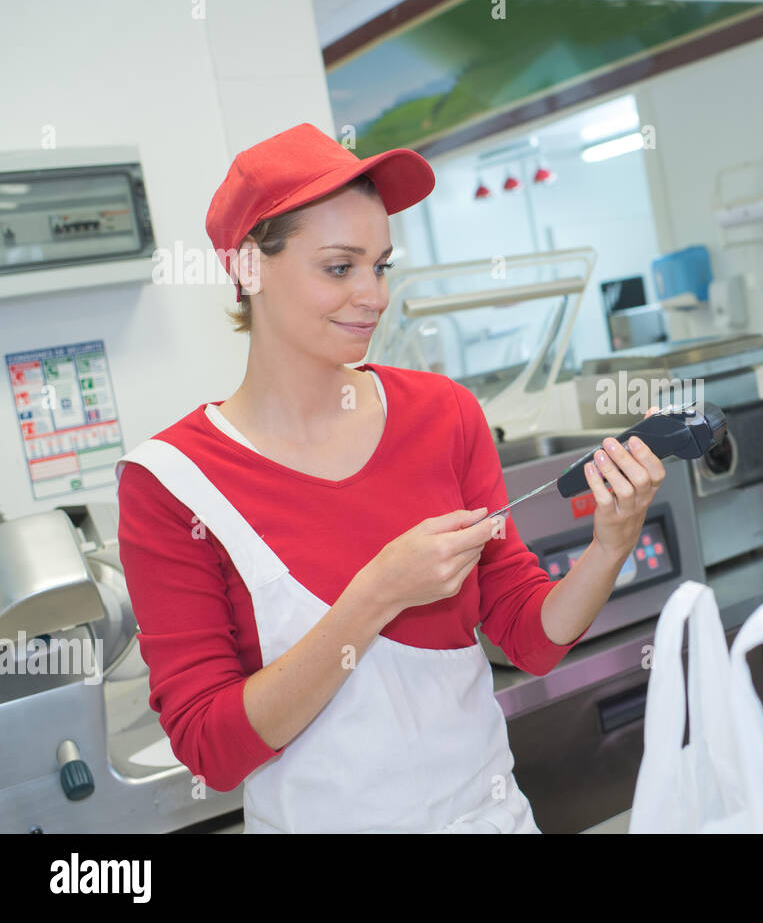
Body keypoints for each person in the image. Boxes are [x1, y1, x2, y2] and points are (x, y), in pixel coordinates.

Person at [115, 123, 666, 832]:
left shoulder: (443, 415)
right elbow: (211, 749)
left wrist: (610, 545)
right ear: (249, 269)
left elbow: (531, 638)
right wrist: (376, 594)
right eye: (340, 268)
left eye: (381, 265)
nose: (373, 295)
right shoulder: (174, 483)